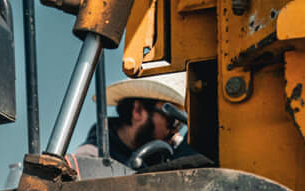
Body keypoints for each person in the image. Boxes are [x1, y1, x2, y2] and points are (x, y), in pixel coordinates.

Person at [72, 73, 206, 175]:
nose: (175, 133)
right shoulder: (91, 159)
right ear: (138, 111)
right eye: (172, 121)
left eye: (180, 125)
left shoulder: (162, 158)